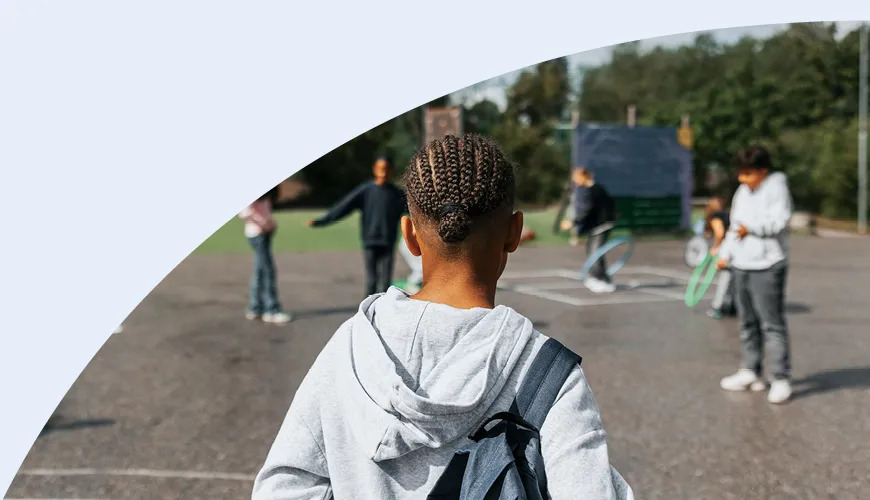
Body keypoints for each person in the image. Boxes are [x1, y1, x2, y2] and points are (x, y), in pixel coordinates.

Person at [253, 134, 633, 499]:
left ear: (410, 236)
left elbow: (286, 484)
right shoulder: (551, 375)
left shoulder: (350, 348)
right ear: (515, 232)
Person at [717, 145, 793, 404]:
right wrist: (725, 253)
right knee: (747, 322)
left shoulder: (777, 186)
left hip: (768, 264)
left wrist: (752, 230)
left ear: (763, 171)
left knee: (771, 324)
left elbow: (780, 221)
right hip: (742, 264)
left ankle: (781, 378)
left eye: (748, 174)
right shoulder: (742, 191)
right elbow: (734, 227)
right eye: (741, 173)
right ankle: (751, 371)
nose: (742, 179)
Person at [308, 157, 407, 297]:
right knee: (372, 280)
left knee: (386, 282)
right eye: (380, 168)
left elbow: (415, 211)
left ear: (391, 170)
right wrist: (322, 221)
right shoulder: (366, 190)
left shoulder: (397, 194)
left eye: (386, 169)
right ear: (374, 169)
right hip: (370, 241)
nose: (383, 172)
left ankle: (385, 312)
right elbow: (343, 207)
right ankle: (367, 311)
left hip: (388, 241)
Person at [239, 187, 291, 324]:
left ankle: (255, 307)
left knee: (260, 271)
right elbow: (244, 212)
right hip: (257, 234)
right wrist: (263, 223)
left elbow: (263, 210)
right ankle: (271, 310)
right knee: (268, 271)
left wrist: (270, 222)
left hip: (263, 233)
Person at [568, 167, 617, 293]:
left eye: (577, 178)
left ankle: (603, 281)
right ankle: (599, 278)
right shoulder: (596, 190)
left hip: (601, 226)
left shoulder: (595, 190)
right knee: (593, 252)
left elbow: (589, 211)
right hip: (597, 227)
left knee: (595, 254)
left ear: (584, 176)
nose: (576, 182)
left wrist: (574, 222)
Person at [705, 197, 736, 319]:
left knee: (724, 278)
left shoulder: (716, 217)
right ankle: (732, 306)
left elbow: (719, 233)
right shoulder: (727, 215)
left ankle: (717, 307)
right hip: (737, 248)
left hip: (726, 250)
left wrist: (716, 247)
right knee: (733, 279)